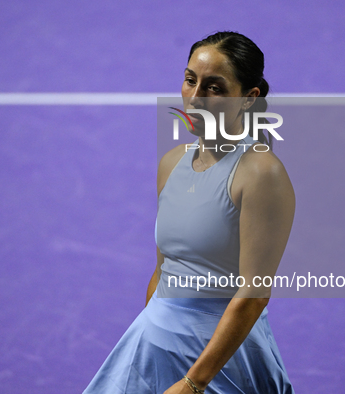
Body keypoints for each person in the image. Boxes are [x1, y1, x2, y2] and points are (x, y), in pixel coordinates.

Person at [84, 31, 295, 394]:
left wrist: (193, 383)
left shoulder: (261, 173)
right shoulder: (172, 163)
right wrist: (147, 333)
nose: (195, 98)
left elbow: (254, 295)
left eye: (214, 87)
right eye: (190, 80)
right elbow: (164, 267)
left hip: (221, 362)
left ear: (248, 98)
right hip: (155, 344)